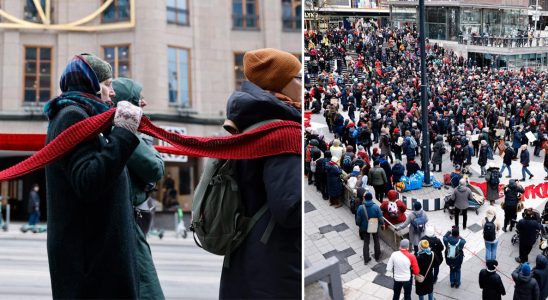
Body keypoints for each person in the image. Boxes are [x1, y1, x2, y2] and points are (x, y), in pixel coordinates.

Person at [44, 54, 143, 298]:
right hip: (89, 265)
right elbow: (88, 180)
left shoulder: (87, 116)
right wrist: (124, 132)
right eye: (108, 84)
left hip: (95, 259)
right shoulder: (72, 115)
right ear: (90, 82)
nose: (112, 92)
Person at [219, 48, 302, 298]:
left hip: (248, 258)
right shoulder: (283, 132)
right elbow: (290, 208)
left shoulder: (252, 123)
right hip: (274, 269)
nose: (302, 83)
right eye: (297, 77)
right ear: (280, 83)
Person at [112, 77, 165, 299]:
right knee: (145, 286)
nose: (144, 102)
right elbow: (155, 168)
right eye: (139, 97)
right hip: (129, 219)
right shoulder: (125, 130)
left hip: (128, 217)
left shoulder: (126, 128)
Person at [356, 189, 385, 263]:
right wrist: (382, 224)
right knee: (376, 240)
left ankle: (366, 259)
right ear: (372, 198)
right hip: (374, 226)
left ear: (364, 198)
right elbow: (380, 218)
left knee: (366, 243)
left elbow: (358, 221)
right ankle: (377, 256)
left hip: (364, 228)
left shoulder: (360, 207)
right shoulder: (376, 207)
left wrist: (360, 226)